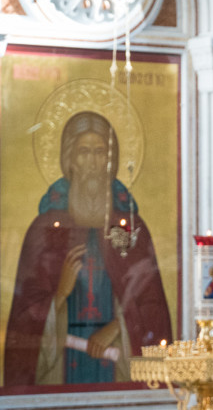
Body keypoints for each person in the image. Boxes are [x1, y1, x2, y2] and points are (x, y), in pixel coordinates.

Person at [4, 111, 172, 387]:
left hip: (117, 362)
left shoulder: (130, 227)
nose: (93, 162)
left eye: (100, 152)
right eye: (83, 152)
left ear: (110, 160)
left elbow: (152, 306)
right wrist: (60, 295)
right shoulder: (45, 228)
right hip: (61, 364)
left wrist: (117, 327)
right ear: (69, 160)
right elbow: (23, 320)